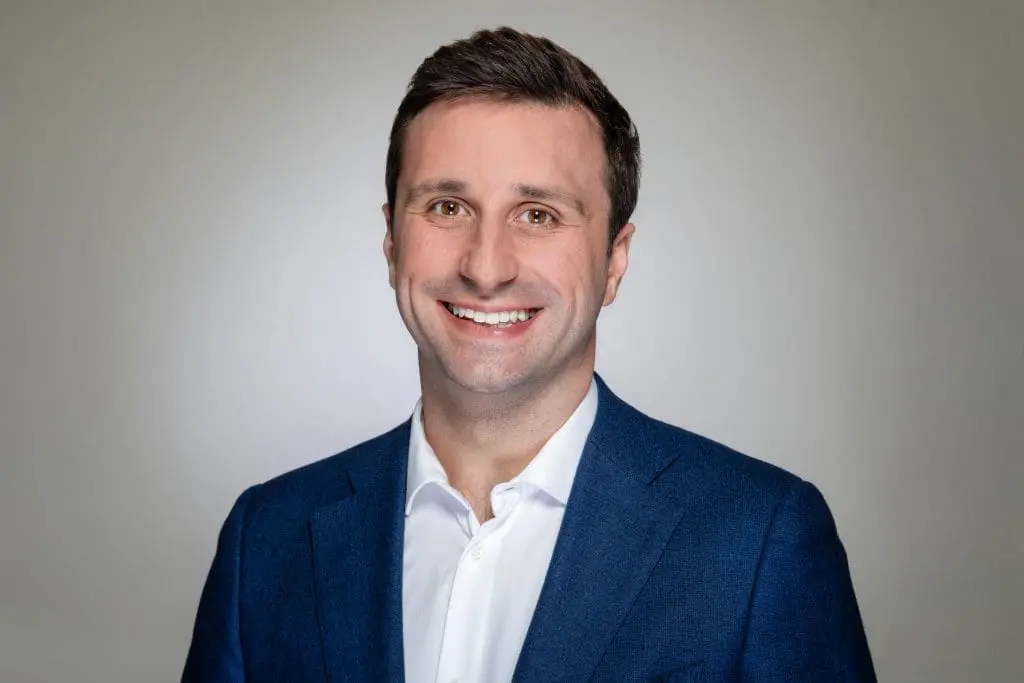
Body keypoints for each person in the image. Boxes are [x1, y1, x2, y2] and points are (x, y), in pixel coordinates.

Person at [182, 27, 876, 683]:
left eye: (538, 215)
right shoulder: (266, 539)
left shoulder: (758, 543)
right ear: (392, 243)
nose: (486, 268)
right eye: (447, 207)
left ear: (614, 260)